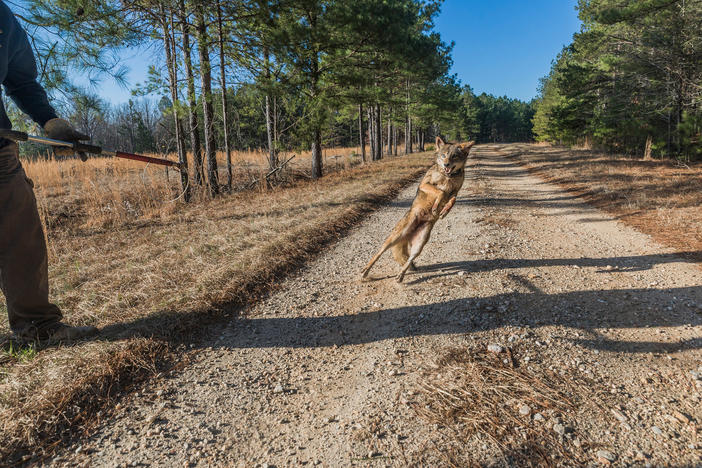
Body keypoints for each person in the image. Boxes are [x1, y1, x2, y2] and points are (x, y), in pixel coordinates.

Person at [0, 1, 97, 344]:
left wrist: (51, 121)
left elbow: (22, 80)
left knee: (19, 237)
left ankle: (37, 328)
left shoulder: (2, 18)